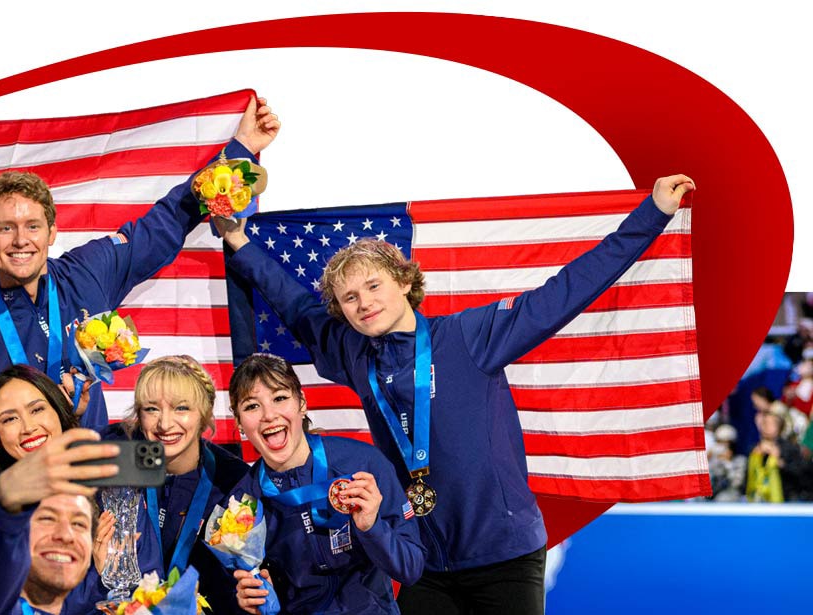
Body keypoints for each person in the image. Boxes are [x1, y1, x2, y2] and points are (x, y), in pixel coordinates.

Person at [216, 175, 696, 614]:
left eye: (374, 286)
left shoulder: (470, 336)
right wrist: (238, 241)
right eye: (350, 298)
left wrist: (651, 214)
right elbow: (296, 304)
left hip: (503, 556)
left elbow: (565, 292)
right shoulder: (352, 351)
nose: (364, 303)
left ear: (405, 281)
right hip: (424, 562)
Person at [0, 97, 281, 450]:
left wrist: (242, 148)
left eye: (33, 226)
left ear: (52, 232)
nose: (21, 240)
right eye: (6, 228)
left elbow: (162, 225)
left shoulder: (86, 274)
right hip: (24, 484)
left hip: (98, 479)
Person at [226, 353, 424, 614]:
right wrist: (252, 599)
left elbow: (410, 569)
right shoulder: (241, 505)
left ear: (302, 403)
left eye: (280, 398)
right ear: (239, 422)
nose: (269, 415)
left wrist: (372, 527)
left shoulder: (363, 464)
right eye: (252, 406)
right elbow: (245, 591)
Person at [87, 355, 250, 613]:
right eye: (151, 409)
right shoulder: (115, 454)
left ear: (205, 413)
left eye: (181, 408)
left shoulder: (232, 480)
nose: (164, 424)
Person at [0, 393, 119, 615]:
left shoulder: (105, 496)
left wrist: (101, 574)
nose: (28, 427)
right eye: (10, 418)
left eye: (37, 409)